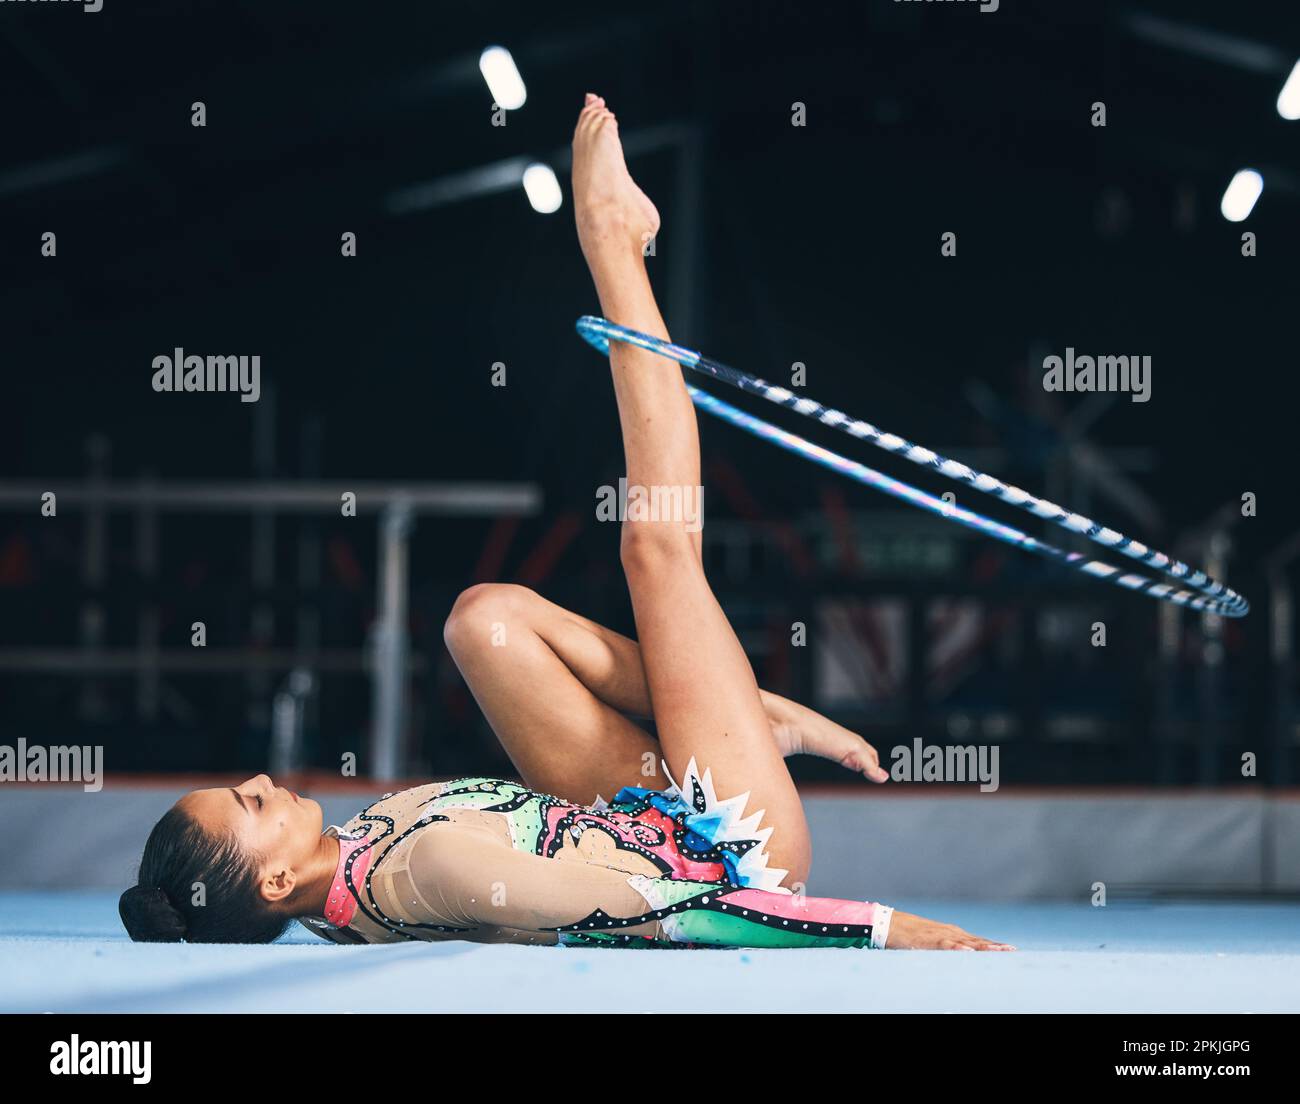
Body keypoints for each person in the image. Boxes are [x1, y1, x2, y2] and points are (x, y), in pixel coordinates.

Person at [119, 95, 1012, 953]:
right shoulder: (423, 864)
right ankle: (613, 242)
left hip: (635, 813)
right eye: (249, 805)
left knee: (483, 620)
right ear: (273, 883)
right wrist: (882, 927)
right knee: (658, 547)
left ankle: (757, 714)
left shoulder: (352, 866)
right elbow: (657, 914)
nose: (262, 782)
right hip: (732, 851)